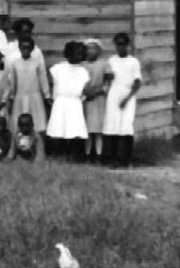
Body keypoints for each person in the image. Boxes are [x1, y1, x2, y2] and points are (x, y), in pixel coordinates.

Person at [102, 33, 144, 167]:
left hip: (128, 94)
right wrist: (107, 79)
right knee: (113, 125)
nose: (120, 47)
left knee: (126, 126)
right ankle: (113, 159)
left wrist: (127, 98)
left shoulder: (133, 62)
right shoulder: (111, 60)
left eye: (122, 44)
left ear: (127, 45)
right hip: (114, 93)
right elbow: (107, 78)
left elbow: (137, 82)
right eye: (118, 44)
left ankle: (126, 160)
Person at [46, 40, 92, 161]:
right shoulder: (58, 68)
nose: (79, 56)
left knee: (74, 128)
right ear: (69, 53)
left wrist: (83, 97)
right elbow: (52, 84)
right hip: (60, 101)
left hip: (75, 102)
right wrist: (51, 97)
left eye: (81, 54)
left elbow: (85, 90)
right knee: (59, 127)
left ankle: (74, 155)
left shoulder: (83, 72)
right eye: (76, 53)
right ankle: (58, 154)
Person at [7, 34, 50, 132]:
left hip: (35, 97)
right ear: (19, 48)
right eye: (23, 47)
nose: (25, 50)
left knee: (37, 124)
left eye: (28, 48)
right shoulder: (15, 63)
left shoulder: (37, 62)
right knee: (19, 124)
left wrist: (47, 95)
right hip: (20, 96)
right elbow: (13, 81)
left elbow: (43, 78)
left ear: (32, 49)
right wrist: (11, 97)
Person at [81, 39, 109, 161]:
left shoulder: (103, 64)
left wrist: (99, 91)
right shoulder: (82, 65)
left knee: (97, 130)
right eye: (88, 48)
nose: (91, 51)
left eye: (94, 48)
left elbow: (107, 82)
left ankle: (98, 155)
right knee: (87, 129)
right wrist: (85, 92)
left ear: (99, 51)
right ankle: (87, 154)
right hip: (86, 100)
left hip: (99, 100)